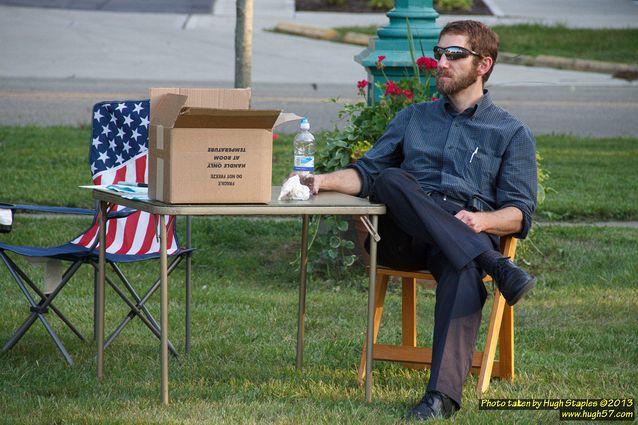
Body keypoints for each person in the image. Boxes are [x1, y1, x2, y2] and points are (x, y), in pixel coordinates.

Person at [311, 20, 537, 421]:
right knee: (393, 178)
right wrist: (320, 180)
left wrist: (483, 222)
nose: (441, 62)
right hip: (406, 240)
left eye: (454, 55)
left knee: (462, 266)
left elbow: (518, 212)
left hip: (467, 234)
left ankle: (441, 398)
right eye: (439, 53)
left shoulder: (511, 132)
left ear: (483, 64)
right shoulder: (413, 118)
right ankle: (494, 264)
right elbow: (367, 173)